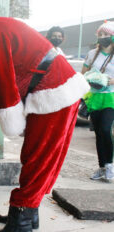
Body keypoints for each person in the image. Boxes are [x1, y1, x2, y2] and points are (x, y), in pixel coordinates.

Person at [0, 10, 89, 232]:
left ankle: (20, 219)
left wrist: (13, 119)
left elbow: (3, 79)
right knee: (41, 157)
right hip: (54, 90)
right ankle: (29, 213)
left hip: (53, 90)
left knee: (37, 158)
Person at [81, 21, 114, 182]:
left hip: (111, 97)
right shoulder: (92, 54)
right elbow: (83, 73)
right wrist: (90, 78)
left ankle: (110, 166)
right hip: (93, 97)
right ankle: (101, 167)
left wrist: (112, 81)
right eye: (100, 34)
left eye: (106, 34)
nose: (102, 37)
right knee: (99, 133)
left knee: (106, 129)